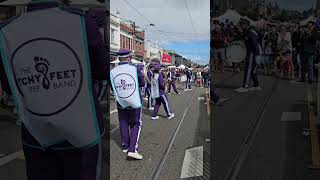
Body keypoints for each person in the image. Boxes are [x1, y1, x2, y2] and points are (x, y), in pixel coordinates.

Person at [0, 1, 108, 179]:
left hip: (36, 132)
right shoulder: (80, 21)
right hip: (81, 130)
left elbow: (10, 87)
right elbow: (103, 70)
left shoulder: (7, 31)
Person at [110, 49, 145, 160]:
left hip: (121, 101)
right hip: (134, 100)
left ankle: (125, 145)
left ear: (118, 58)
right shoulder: (135, 69)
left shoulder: (112, 71)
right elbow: (142, 84)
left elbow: (112, 88)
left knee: (123, 122)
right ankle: (132, 149)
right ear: (129, 57)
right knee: (136, 123)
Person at [235, 18, 262, 93]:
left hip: (253, 53)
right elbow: (243, 39)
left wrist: (256, 55)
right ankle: (256, 85)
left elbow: (255, 44)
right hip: (253, 53)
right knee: (253, 70)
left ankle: (245, 86)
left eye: (241, 24)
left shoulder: (250, 32)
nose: (240, 26)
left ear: (245, 25)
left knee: (248, 69)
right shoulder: (247, 32)